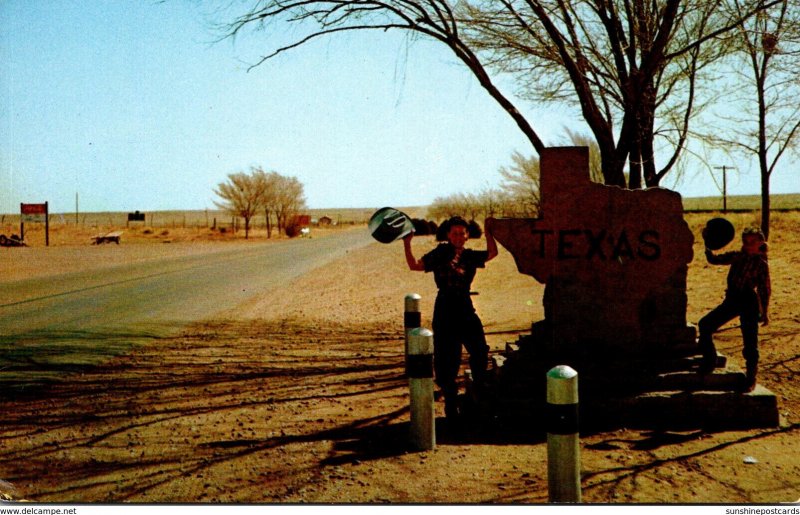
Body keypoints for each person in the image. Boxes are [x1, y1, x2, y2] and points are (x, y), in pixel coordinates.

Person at [403, 216, 498, 421]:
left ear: (467, 235)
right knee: (447, 358)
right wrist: (407, 243)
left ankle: (477, 390)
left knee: (480, 349)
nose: (458, 237)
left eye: (462, 233)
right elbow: (415, 265)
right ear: (448, 234)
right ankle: (451, 401)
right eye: (454, 233)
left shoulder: (470, 256)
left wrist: (489, 232)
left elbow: (492, 253)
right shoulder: (439, 253)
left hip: (464, 305)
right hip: (445, 307)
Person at [698, 226, 771, 392]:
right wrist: (707, 245)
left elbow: (764, 289)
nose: (748, 244)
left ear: (761, 242)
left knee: (750, 342)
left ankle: (751, 378)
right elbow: (715, 260)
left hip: (748, 302)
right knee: (705, 325)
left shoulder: (761, 264)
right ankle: (710, 360)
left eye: (752, 241)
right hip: (732, 299)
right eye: (745, 241)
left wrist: (765, 312)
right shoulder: (737, 256)